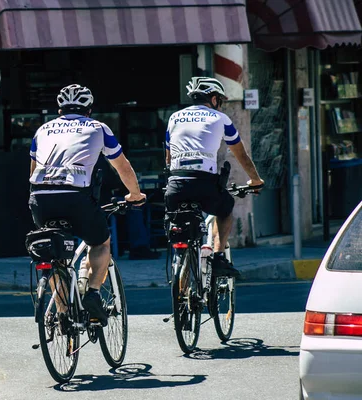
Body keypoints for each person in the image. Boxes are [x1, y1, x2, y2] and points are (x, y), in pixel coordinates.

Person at [28, 84, 146, 326]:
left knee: (53, 253)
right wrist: (135, 194)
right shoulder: (98, 128)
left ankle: (62, 312)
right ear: (89, 110)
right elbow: (122, 166)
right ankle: (92, 293)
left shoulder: (42, 130)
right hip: (76, 197)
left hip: (40, 198)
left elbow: (31, 171)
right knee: (100, 242)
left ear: (59, 110)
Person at [164, 77, 265, 277]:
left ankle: (181, 282)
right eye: (220, 99)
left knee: (178, 225)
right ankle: (218, 257)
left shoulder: (174, 117)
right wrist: (255, 180)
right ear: (213, 98)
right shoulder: (220, 118)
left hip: (175, 183)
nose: (220, 104)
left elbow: (167, 158)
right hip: (204, 183)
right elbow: (241, 155)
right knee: (225, 209)